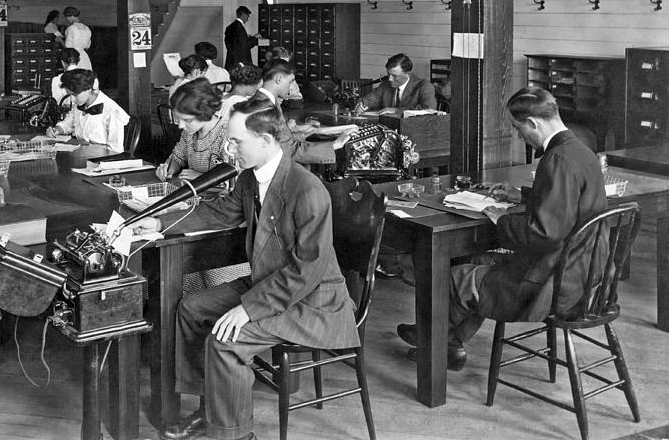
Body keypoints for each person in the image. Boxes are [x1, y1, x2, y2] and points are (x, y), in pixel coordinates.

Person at [135, 99, 359, 440]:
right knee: (191, 309)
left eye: (237, 141)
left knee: (227, 341)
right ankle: (209, 409)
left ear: (266, 141)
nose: (229, 148)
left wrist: (247, 309)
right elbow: (220, 212)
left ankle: (236, 434)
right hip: (270, 285)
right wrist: (159, 221)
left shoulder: (307, 190)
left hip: (312, 302)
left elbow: (305, 272)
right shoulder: (250, 178)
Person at [397, 87, 609, 372]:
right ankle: (448, 339)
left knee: (457, 277)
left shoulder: (555, 160)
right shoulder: (581, 152)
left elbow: (544, 234)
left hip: (554, 283)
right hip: (585, 273)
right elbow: (566, 205)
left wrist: (502, 219)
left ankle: (436, 343)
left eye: (519, 129)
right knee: (480, 263)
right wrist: (521, 195)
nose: (520, 136)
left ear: (534, 123)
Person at [253, 59, 352, 165]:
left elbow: (280, 141)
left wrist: (302, 135)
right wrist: (336, 144)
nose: (291, 87)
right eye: (290, 81)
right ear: (278, 79)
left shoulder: (269, 102)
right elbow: (288, 150)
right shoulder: (264, 107)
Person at [157, 79, 230, 182]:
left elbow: (231, 178)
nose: (181, 126)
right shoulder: (189, 133)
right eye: (178, 119)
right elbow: (178, 157)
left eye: (187, 120)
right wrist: (167, 168)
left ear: (204, 112)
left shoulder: (227, 134)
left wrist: (201, 177)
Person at [47, 69, 129, 151]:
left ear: (89, 89)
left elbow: (115, 150)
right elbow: (67, 125)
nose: (72, 99)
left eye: (75, 95)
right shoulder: (79, 105)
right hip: (80, 156)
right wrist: (56, 130)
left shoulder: (112, 111)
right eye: (70, 95)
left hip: (100, 160)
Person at [353, 53, 436, 114]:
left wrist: (395, 110)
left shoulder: (424, 86)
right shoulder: (385, 85)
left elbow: (430, 110)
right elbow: (367, 100)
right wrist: (361, 105)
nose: (390, 79)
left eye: (394, 76)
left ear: (407, 73)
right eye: (389, 74)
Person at [223, 6, 259, 70]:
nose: (248, 19)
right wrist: (255, 37)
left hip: (231, 59)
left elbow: (232, 42)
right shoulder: (240, 28)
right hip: (240, 60)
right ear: (243, 15)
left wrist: (246, 37)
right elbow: (245, 45)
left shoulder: (230, 27)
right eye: (248, 16)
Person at [63, 6, 92, 70]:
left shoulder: (71, 28)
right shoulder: (87, 28)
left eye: (68, 17)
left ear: (72, 16)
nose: (68, 19)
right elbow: (87, 46)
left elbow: (68, 46)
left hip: (73, 58)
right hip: (84, 57)